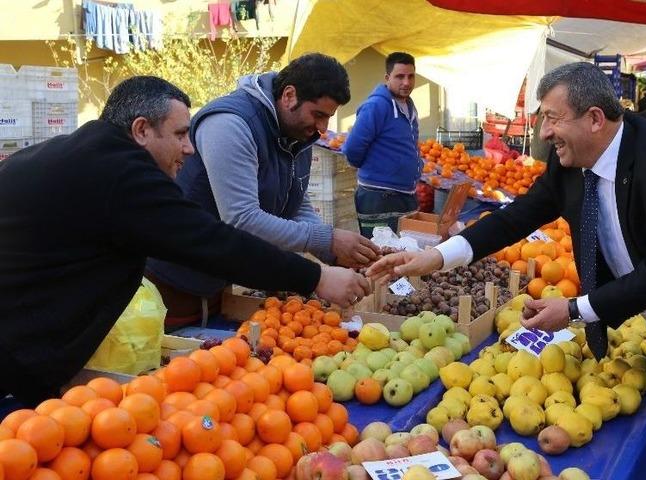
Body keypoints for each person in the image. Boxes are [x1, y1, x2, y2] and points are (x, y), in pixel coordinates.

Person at [367, 62, 646, 480]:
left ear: (594, 119)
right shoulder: (569, 163)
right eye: (542, 118)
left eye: (552, 118)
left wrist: (574, 308)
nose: (545, 132)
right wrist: (437, 257)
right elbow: (517, 217)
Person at [0, 76, 371, 404]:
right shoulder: (123, 175)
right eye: (180, 134)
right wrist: (316, 278)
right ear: (142, 130)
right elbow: (213, 243)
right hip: (16, 359)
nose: (190, 148)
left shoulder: (61, 155)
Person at [145, 53, 379, 325]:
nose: (322, 128)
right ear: (289, 96)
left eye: (328, 118)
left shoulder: (295, 133)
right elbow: (242, 219)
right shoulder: (230, 125)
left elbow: (294, 202)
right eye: (318, 115)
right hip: (170, 289)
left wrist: (333, 252)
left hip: (218, 284)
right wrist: (325, 240)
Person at [342, 52, 422, 238]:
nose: (406, 82)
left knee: (403, 253)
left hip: (404, 194)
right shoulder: (377, 106)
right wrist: (376, 172)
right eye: (399, 76)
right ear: (387, 78)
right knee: (379, 253)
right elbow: (352, 148)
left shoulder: (409, 106)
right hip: (379, 197)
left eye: (410, 76)